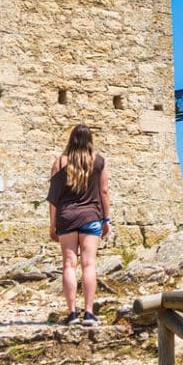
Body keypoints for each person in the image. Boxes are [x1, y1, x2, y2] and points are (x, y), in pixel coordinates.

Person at [47, 124, 114, 323]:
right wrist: (107, 219)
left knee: (69, 264)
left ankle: (71, 313)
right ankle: (89, 312)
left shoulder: (60, 162)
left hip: (66, 217)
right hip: (91, 217)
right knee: (89, 264)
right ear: (90, 140)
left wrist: (53, 225)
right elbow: (104, 192)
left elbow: (53, 198)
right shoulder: (100, 162)